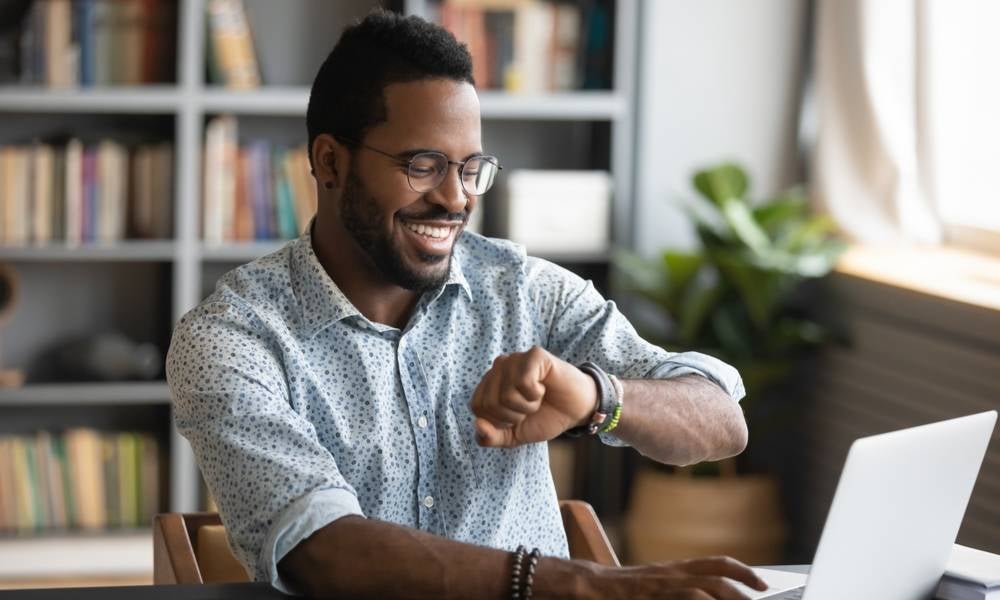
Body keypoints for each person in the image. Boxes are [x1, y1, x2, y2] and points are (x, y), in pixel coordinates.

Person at [166, 10, 769, 600]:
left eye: (471, 168)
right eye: (422, 165)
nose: (455, 198)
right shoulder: (231, 339)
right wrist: (579, 582)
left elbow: (721, 423)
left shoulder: (524, 291)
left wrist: (595, 397)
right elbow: (321, 552)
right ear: (329, 161)